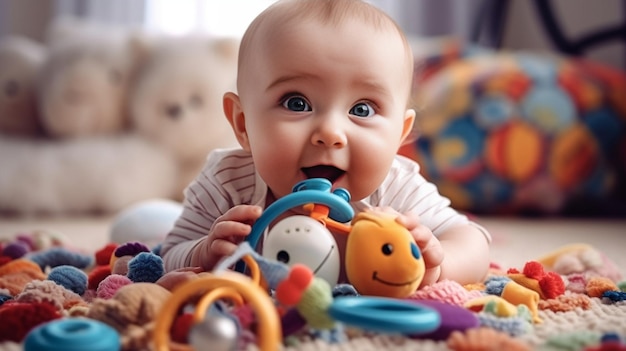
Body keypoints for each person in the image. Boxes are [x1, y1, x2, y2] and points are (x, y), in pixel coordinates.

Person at [161, 0, 491, 287]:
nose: (331, 132)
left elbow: (473, 240)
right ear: (243, 124)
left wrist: (440, 261)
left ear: (398, 136)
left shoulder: (397, 191)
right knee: (145, 228)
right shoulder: (228, 182)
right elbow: (170, 252)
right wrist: (202, 250)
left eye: (362, 109)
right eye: (296, 103)